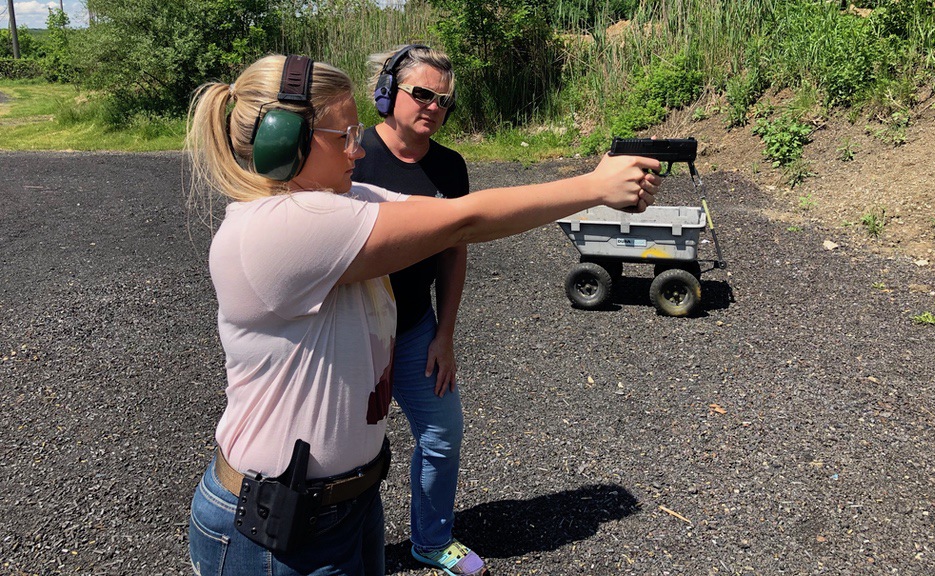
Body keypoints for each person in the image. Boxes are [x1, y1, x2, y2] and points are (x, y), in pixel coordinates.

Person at [184, 53, 661, 576]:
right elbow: (461, 221)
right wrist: (593, 188)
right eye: (342, 135)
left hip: (344, 504)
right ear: (285, 140)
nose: (357, 146)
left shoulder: (341, 196)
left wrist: (595, 185)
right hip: (277, 530)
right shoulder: (278, 226)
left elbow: (464, 219)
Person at [351, 44, 477, 575]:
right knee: (346, 450)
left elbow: (454, 254)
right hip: (352, 331)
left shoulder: (450, 167)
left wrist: (444, 334)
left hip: (415, 329)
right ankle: (342, 549)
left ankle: (430, 541)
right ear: (387, 93)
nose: (432, 106)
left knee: (443, 434)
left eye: (443, 100)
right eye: (421, 93)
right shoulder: (351, 152)